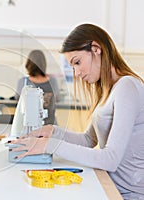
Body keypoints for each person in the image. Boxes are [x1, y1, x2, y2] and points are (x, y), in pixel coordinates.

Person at [10, 24, 144, 199]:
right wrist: (52, 131)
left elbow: (110, 159)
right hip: (109, 185)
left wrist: (50, 145)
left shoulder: (127, 87)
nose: (77, 73)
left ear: (96, 49)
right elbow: (88, 140)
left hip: (128, 194)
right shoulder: (108, 90)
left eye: (77, 62)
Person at [15, 49, 60, 125]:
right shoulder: (52, 81)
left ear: (28, 64)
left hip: (28, 125)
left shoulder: (23, 82)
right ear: (43, 64)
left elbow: (17, 98)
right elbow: (58, 98)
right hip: (49, 125)